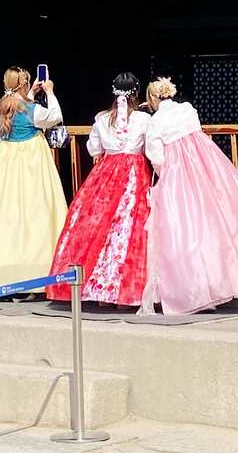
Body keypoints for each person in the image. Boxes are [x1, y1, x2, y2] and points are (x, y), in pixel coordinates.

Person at [140, 76, 238, 315]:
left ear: (152, 98)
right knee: (214, 217)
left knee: (184, 225)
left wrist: (165, 173)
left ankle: (194, 285)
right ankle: (226, 275)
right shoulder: (188, 109)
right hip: (206, 163)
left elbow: (156, 156)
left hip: (177, 170)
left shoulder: (155, 121)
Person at [48, 71, 152, 307]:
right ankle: (124, 291)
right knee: (129, 228)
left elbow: (94, 149)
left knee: (98, 227)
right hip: (135, 173)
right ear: (136, 92)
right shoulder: (144, 120)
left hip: (106, 175)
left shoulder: (102, 118)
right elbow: (149, 148)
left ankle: (99, 289)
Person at [0, 66, 68, 290]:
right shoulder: (32, 109)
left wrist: (31, 92)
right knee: (35, 210)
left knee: (5, 212)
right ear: (23, 84)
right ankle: (35, 271)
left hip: (6, 159)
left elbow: (17, 107)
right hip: (30, 159)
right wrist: (50, 92)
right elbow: (54, 117)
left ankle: (1, 272)